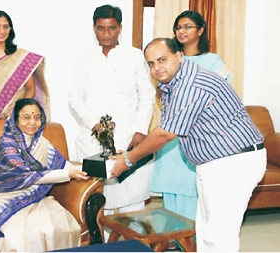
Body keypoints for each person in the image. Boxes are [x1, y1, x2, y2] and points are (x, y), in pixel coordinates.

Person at [110, 38, 266, 252]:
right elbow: (167, 127)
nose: (157, 68)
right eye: (151, 63)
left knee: (220, 234)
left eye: (162, 59)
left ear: (179, 56)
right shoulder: (172, 84)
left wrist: (128, 159)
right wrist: (131, 152)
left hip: (233, 162)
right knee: (205, 231)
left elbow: (165, 134)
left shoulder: (191, 83)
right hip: (214, 162)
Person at [68, 4, 155, 220]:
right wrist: (95, 125)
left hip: (129, 136)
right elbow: (74, 98)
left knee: (132, 196)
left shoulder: (135, 57)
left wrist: (141, 130)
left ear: (120, 28)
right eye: (101, 28)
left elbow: (147, 95)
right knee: (99, 195)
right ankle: (104, 244)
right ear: (94, 28)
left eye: (112, 28)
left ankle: (132, 243)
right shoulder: (84, 59)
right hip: (93, 139)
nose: (106, 34)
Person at [0, 98, 89, 252]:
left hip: (33, 197)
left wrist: (89, 168)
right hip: (3, 197)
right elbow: (26, 176)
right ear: (15, 119)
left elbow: (63, 164)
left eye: (37, 117)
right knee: (26, 234)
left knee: (61, 225)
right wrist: (68, 173)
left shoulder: (41, 142)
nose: (32, 122)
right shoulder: (7, 144)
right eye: (26, 117)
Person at [150, 10, 232, 222]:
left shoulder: (213, 62)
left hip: (198, 136)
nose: (181, 31)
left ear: (201, 30)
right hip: (170, 137)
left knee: (194, 188)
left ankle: (192, 239)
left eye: (187, 26)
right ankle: (172, 236)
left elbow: (218, 96)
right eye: (178, 27)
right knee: (171, 186)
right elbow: (162, 95)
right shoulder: (168, 60)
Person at [0, 9, 50, 120]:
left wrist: (18, 110)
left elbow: (30, 89)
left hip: (13, 118)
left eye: (5, 27)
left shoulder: (20, 58)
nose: (2, 31)